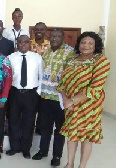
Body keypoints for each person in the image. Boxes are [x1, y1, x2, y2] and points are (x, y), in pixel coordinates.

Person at [57, 32, 110, 168]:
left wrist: (72, 100)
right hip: (71, 107)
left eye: (90, 43)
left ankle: (82, 166)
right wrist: (65, 100)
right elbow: (62, 82)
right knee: (72, 134)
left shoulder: (101, 61)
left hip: (89, 107)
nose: (86, 45)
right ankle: (70, 164)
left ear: (95, 46)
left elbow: (95, 87)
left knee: (86, 137)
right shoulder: (72, 59)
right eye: (83, 42)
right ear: (79, 44)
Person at [32, 29, 75, 167]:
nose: (54, 38)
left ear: (63, 38)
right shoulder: (48, 50)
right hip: (45, 96)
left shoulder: (71, 52)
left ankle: (57, 155)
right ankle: (43, 151)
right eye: (52, 36)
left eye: (58, 36)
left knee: (60, 129)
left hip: (60, 98)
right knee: (45, 126)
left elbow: (72, 75)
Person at [6, 35, 43, 159]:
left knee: (29, 122)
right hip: (15, 93)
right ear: (17, 44)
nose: (23, 45)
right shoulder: (10, 58)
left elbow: (42, 76)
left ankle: (26, 149)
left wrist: (38, 92)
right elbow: (7, 77)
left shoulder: (37, 58)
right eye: (20, 42)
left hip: (31, 95)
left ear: (30, 44)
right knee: (13, 121)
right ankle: (14, 147)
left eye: (26, 42)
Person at [30, 22, 50, 135]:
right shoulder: (28, 44)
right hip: (32, 79)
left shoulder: (51, 45)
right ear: (33, 31)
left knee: (43, 106)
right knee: (32, 106)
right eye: (36, 29)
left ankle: (40, 127)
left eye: (41, 29)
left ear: (45, 31)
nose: (39, 31)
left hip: (47, 80)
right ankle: (30, 126)